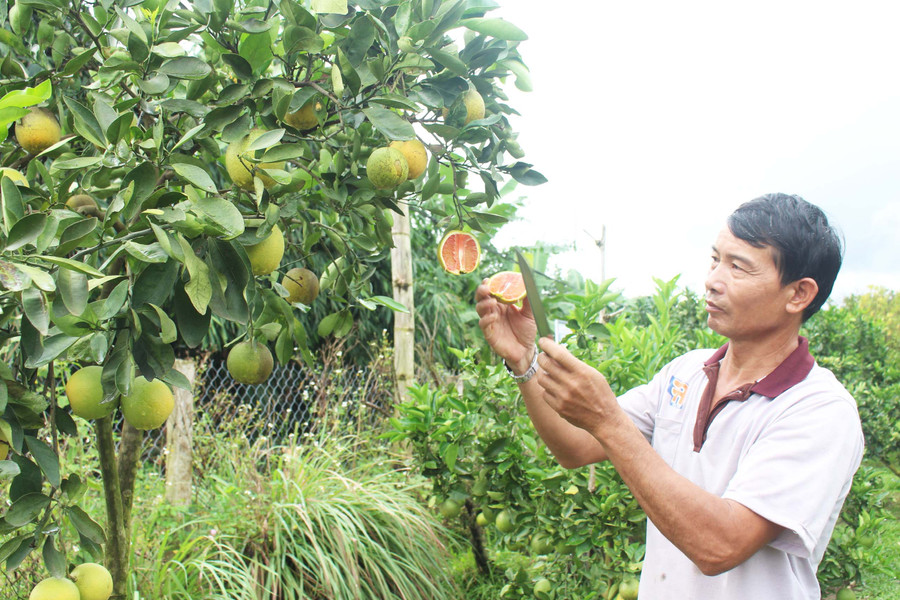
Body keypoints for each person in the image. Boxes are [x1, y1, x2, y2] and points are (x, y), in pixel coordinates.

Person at [475, 193, 864, 600]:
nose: (713, 280)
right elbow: (574, 446)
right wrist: (525, 362)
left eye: (738, 267)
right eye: (715, 260)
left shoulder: (819, 409)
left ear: (798, 294)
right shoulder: (685, 373)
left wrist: (607, 420)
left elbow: (721, 546)